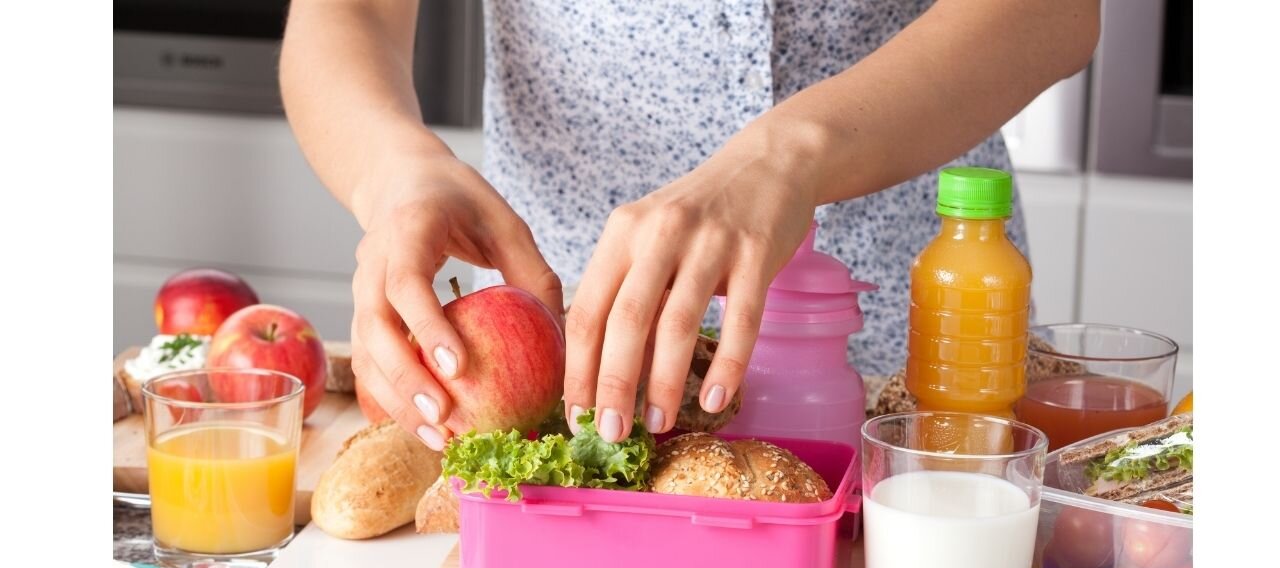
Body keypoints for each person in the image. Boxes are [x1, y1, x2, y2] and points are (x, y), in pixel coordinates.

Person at [280, 0, 1099, 449]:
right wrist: (396, 174)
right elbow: (343, 13)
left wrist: (790, 156)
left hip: (921, 359)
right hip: (572, 371)